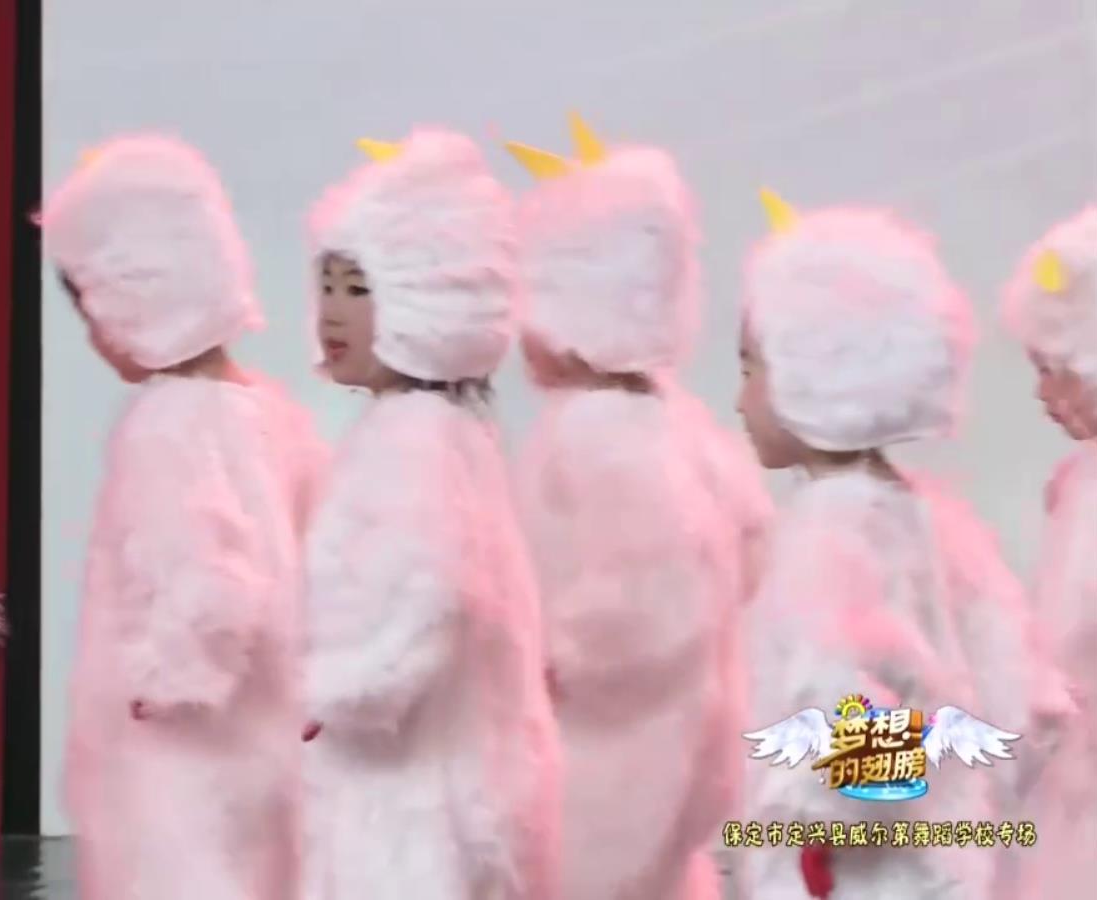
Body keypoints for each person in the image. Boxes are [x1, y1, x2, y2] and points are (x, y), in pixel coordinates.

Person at [734, 194, 1069, 899]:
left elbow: (859, 750)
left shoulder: (825, 536)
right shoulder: (926, 520)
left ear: (812, 370)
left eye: (751, 368)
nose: (741, 401)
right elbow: (1023, 703)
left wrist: (807, 827)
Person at [41, 134, 324, 900]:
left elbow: (204, 570)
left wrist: (171, 677)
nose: (94, 335)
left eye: (92, 308)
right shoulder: (268, 412)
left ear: (139, 294)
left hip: (180, 747)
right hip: (262, 732)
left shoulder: (168, 422)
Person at [505, 116, 771, 899]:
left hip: (600, 760)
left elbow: (641, 603)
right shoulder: (676, 423)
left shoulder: (592, 431)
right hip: (687, 745)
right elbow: (751, 545)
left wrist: (537, 659)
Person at [299, 128, 561, 900]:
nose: (332, 312)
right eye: (327, 285)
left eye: (358, 288)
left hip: (403, 806)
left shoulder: (412, 440)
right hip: (441, 789)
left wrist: (322, 688)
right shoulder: (444, 432)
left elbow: (424, 604)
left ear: (428, 298)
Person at [1001, 205, 1097, 900]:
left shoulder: (1087, 493)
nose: (1039, 392)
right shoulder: (1078, 483)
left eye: (1051, 368)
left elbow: (1061, 654)